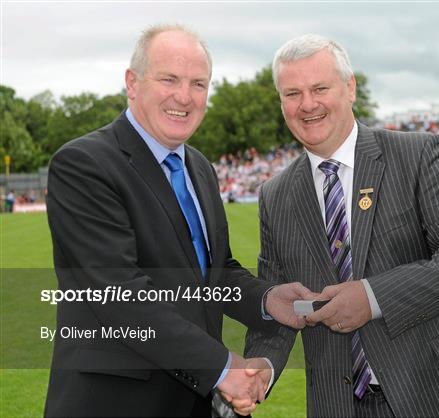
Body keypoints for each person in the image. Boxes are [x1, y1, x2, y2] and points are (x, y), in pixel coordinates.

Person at [44, 24, 314, 417]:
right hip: (114, 403)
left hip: (191, 403)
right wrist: (223, 368)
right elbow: (122, 295)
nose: (184, 97)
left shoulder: (199, 167)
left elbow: (212, 274)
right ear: (132, 83)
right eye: (169, 79)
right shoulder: (84, 164)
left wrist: (268, 300)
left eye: (198, 83)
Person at [244, 34, 439, 417]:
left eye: (320, 88)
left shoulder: (418, 154)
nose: (307, 104)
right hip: (341, 405)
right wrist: (259, 370)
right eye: (292, 93)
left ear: (349, 87)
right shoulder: (275, 195)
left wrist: (372, 297)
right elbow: (280, 304)